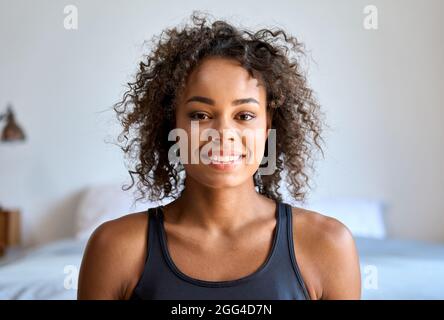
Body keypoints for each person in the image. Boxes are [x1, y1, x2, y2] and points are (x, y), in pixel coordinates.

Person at [77, 11, 361, 300]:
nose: (223, 132)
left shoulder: (327, 245)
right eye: (200, 114)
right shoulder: (114, 248)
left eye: (245, 115)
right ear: (172, 123)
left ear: (268, 125)